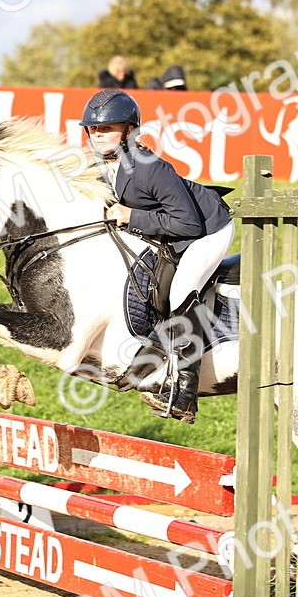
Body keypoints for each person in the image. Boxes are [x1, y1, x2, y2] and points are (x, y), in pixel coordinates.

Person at [79, 89, 234, 424]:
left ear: (130, 130)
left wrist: (130, 217)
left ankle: (184, 391)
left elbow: (188, 223)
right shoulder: (104, 166)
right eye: (93, 129)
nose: (98, 135)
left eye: (107, 128)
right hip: (167, 233)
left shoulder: (150, 168)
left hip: (207, 230)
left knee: (180, 291)